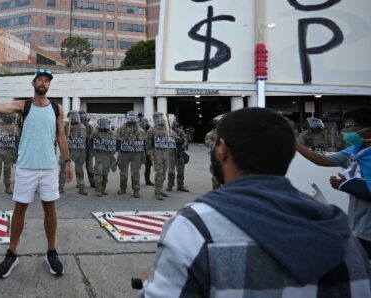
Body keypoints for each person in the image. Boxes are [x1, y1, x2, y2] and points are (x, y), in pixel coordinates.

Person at [139, 107, 371, 297]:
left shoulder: (192, 228)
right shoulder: (343, 236)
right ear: (289, 152)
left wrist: (150, 283)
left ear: (222, 151)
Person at [0, 65, 72, 279]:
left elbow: (61, 137)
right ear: (33, 83)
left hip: (49, 167)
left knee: (50, 210)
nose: (43, 83)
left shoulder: (57, 109)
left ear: (49, 85)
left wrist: (67, 161)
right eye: (39, 79)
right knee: (20, 210)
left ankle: (51, 252)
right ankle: (12, 254)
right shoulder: (25, 105)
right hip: (26, 167)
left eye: (46, 80)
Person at [296, 107, 371, 259]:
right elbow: (321, 160)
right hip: (358, 226)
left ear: (368, 131)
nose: (344, 130)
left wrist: (347, 185)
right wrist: (294, 144)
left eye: (349, 126)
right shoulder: (353, 151)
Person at [115, 111, 146, 198]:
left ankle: (136, 190)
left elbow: (143, 142)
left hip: (136, 154)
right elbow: (116, 139)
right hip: (124, 153)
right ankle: (123, 188)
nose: (131, 119)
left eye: (133, 117)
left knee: (135, 172)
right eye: (130, 117)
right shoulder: (121, 129)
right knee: (123, 171)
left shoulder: (140, 130)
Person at [146, 113, 175, 200]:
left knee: (164, 173)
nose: (160, 119)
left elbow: (172, 138)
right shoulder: (151, 130)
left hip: (166, 153)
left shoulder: (167, 129)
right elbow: (148, 144)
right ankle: (157, 192)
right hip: (157, 154)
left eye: (161, 117)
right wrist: (150, 154)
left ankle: (160, 189)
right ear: (155, 119)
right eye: (158, 118)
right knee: (159, 172)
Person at [0, 113, 20, 195]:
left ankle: (8, 186)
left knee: (7, 169)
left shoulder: (13, 127)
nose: (7, 118)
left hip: (9, 151)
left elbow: (16, 139)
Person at [60, 110, 88, 195]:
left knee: (79, 169)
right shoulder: (66, 126)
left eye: (73, 116)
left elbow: (82, 139)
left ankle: (81, 187)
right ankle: (60, 187)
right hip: (67, 150)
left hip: (79, 151)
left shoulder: (82, 127)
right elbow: (62, 137)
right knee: (63, 168)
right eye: (70, 116)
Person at [90, 117, 116, 197]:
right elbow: (91, 143)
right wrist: (95, 153)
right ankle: (98, 190)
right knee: (98, 173)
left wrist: (111, 154)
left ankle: (103, 189)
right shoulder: (95, 133)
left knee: (105, 173)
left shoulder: (111, 133)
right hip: (99, 156)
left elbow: (114, 144)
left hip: (108, 156)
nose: (104, 125)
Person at [166, 117, 189, 192]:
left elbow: (185, 140)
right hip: (171, 152)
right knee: (171, 170)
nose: (173, 125)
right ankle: (170, 185)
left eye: (174, 123)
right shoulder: (167, 132)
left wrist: (182, 146)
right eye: (172, 123)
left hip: (179, 152)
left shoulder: (180, 131)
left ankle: (180, 185)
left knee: (180, 170)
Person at [205, 114, 225, 190]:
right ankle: (216, 191)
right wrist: (217, 145)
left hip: (228, 158)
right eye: (219, 123)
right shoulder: (211, 134)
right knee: (216, 177)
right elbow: (207, 142)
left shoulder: (230, 132)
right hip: (216, 158)